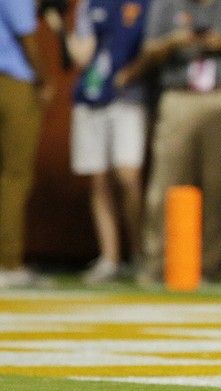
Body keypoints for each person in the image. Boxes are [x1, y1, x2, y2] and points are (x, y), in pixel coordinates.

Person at [118, 0, 221, 284]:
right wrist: (173, 43)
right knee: (165, 183)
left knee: (219, 185)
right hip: (180, 95)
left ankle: (207, 267)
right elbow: (148, 51)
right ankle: (156, 264)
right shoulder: (166, 4)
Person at [50, 0, 150, 285]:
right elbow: (82, 55)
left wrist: (133, 73)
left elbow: (150, 44)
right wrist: (58, 23)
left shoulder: (144, 3)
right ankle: (110, 257)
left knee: (128, 176)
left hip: (127, 97)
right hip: (91, 96)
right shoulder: (89, 4)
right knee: (98, 179)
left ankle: (140, 253)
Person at [0, 0, 55, 287]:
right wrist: (45, 81)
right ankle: (8, 263)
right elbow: (27, 39)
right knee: (15, 176)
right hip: (11, 81)